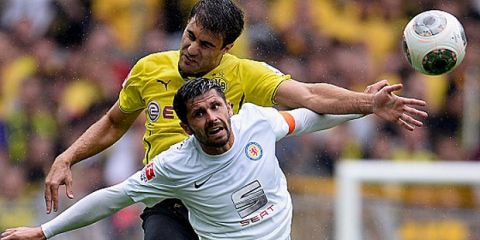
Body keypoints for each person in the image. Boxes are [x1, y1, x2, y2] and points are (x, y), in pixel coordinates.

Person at [43, 0, 428, 239]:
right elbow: (114, 122)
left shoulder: (245, 73)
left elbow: (309, 97)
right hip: (168, 197)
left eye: (205, 44)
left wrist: (367, 102)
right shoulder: (148, 69)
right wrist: (67, 157)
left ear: (226, 49)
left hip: (226, 204)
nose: (191, 48)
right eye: (189, 35)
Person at [3, 78, 371, 240]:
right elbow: (115, 197)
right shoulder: (174, 164)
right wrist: (44, 231)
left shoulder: (257, 122)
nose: (211, 117)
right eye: (199, 114)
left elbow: (310, 116)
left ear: (229, 107)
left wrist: (367, 104)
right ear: (185, 125)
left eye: (215, 107)